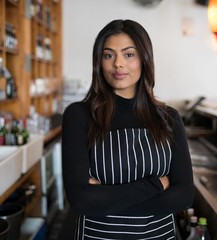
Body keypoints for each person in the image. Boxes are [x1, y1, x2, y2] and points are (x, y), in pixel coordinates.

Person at [62, 19, 194, 239]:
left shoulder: (168, 118)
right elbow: (81, 201)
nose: (118, 64)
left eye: (129, 54)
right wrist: (156, 184)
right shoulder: (79, 116)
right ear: (99, 62)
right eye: (109, 55)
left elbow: (183, 196)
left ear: (144, 58)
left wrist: (104, 201)